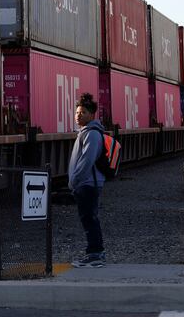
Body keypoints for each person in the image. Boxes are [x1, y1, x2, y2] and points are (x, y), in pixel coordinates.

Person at [68, 92, 106, 268]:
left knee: (89, 219)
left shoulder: (92, 134)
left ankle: (95, 255)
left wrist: (75, 180)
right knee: (89, 218)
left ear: (92, 115)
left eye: (82, 112)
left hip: (88, 184)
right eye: (77, 112)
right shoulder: (86, 132)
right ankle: (95, 253)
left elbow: (87, 161)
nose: (78, 115)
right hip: (87, 183)